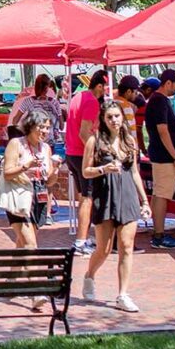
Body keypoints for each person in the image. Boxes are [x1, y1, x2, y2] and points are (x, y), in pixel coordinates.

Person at [81, 101, 151, 313]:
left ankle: (123, 294)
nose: (114, 120)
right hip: (106, 196)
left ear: (123, 118)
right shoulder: (94, 141)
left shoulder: (129, 141)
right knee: (103, 248)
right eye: (109, 117)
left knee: (126, 246)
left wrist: (144, 200)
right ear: (103, 119)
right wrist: (103, 169)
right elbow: (85, 171)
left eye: (117, 116)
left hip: (127, 196)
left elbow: (135, 172)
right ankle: (89, 275)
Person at [0, 110, 59, 310]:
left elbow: (49, 181)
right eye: (42, 127)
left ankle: (10, 283)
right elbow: (7, 173)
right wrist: (25, 166)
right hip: (18, 198)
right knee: (30, 243)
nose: (45, 131)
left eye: (48, 127)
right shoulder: (17, 144)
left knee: (22, 244)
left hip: (38, 197)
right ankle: (36, 290)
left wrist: (55, 169)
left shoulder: (46, 148)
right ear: (31, 126)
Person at [144, 69, 175, 250]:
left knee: (158, 194)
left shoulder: (157, 101)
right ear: (168, 83)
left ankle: (158, 231)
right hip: (164, 157)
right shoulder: (160, 102)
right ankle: (159, 236)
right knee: (162, 195)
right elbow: (163, 131)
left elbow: (166, 129)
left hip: (159, 154)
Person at [65, 70, 108, 256]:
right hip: (82, 154)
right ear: (100, 86)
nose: (107, 92)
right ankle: (81, 242)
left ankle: (83, 237)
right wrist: (95, 154)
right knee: (87, 199)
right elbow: (84, 132)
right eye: (106, 87)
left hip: (72, 153)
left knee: (84, 196)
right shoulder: (91, 101)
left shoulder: (79, 96)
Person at [11, 74, 62, 146]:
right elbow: (62, 126)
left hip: (33, 142)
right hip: (50, 143)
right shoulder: (55, 103)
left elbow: (14, 121)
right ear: (48, 87)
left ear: (35, 86)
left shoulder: (28, 101)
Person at [134, 77, 160, 155]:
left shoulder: (135, 95)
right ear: (148, 90)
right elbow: (138, 130)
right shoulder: (141, 103)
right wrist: (143, 150)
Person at [112, 75, 141, 144]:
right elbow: (130, 131)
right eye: (135, 92)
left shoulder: (112, 103)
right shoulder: (126, 107)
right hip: (127, 147)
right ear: (128, 91)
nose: (136, 95)